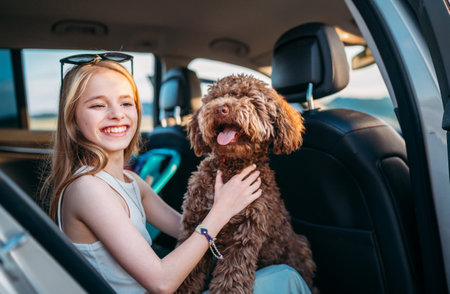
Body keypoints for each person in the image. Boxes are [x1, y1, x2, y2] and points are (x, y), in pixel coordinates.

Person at [44, 52, 311, 294]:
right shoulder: (87, 188)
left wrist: (234, 214)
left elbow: (185, 229)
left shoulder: (130, 181)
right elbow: (162, 282)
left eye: (126, 103)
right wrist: (221, 210)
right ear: (73, 121)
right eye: (97, 105)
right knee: (285, 278)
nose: (116, 114)